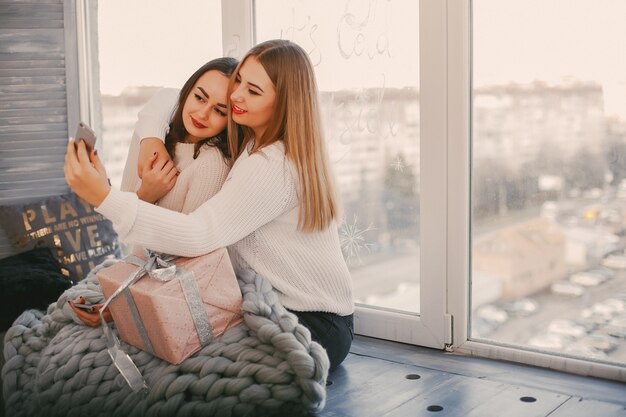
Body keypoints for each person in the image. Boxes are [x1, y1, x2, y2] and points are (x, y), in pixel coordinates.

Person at [64, 39, 355, 370]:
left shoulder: (273, 164)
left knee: (172, 361)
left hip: (312, 324)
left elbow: (200, 234)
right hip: (267, 304)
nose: (236, 96)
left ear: (283, 104)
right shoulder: (254, 137)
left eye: (253, 91)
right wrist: (152, 138)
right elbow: (168, 97)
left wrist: (105, 197)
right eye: (240, 80)